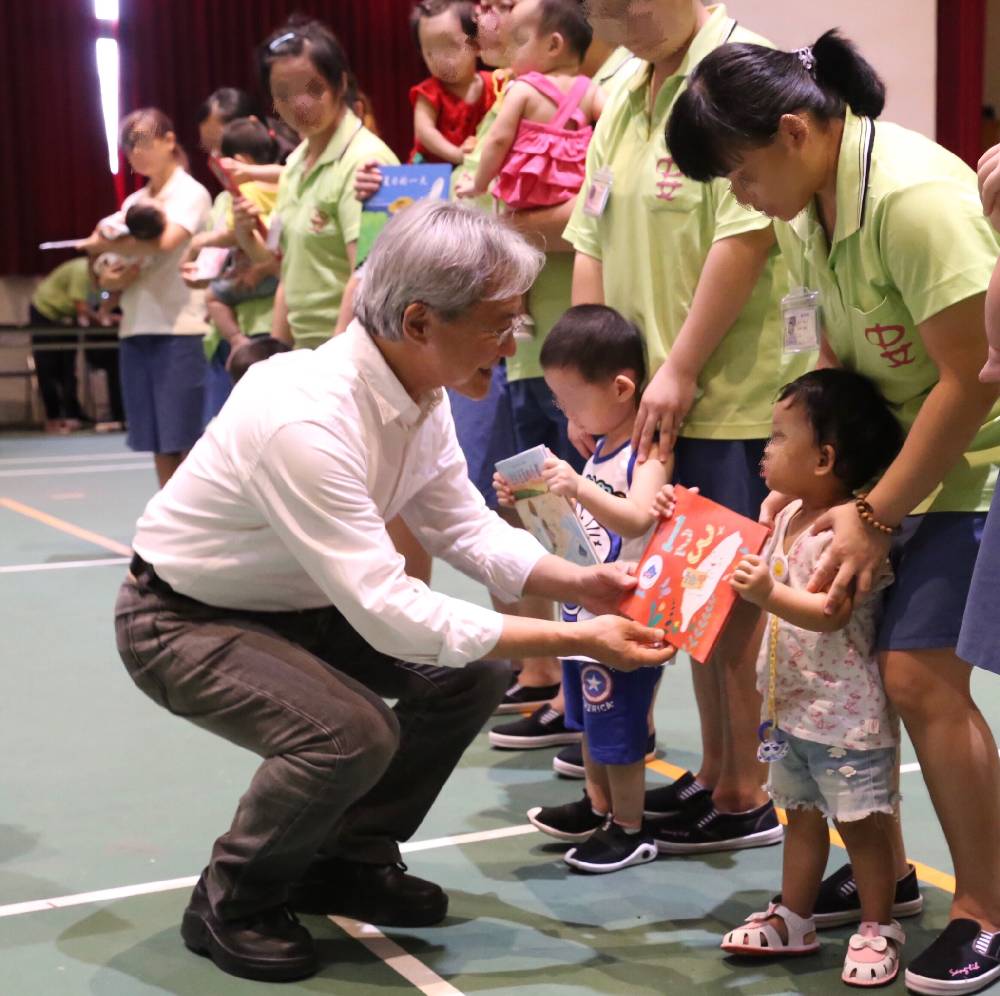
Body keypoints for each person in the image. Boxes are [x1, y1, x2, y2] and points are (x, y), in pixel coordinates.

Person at [115, 201, 672, 984]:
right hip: (180, 620)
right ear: (418, 321)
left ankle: (346, 857)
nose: (515, 341)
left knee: (471, 674)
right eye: (499, 323)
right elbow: (392, 611)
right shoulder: (305, 420)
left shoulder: (422, 393)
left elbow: (464, 529)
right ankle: (232, 899)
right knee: (350, 733)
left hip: (299, 606)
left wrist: (583, 582)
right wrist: (577, 637)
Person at [668, 30, 1000, 995]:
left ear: (793, 130)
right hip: (886, 478)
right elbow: (831, 354)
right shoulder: (807, 205)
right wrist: (814, 487)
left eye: (738, 170)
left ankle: (983, 910)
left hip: (968, 467)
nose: (739, 195)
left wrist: (876, 514)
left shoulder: (911, 200)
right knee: (855, 682)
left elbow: (971, 383)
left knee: (916, 679)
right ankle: (883, 879)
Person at [563, 0, 804, 854]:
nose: (618, 18)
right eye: (601, 7)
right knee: (681, 607)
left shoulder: (742, 67)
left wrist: (682, 366)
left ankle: (747, 795)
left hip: (730, 395)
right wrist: (595, 386)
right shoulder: (622, 83)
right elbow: (589, 225)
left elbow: (747, 236)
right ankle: (715, 774)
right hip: (645, 408)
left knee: (731, 612)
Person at [723, 370, 906, 986]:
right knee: (798, 816)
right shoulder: (789, 515)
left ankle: (879, 924)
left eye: (778, 437)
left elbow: (832, 614)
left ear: (825, 457)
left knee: (861, 825)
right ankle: (796, 916)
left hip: (843, 713)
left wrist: (768, 592)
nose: (765, 448)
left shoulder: (845, 530)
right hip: (789, 706)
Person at [496, 305, 671, 872]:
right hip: (581, 616)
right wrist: (528, 506)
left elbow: (638, 517)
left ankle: (629, 827)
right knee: (591, 723)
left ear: (622, 388)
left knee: (617, 728)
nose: (564, 414)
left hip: (624, 618)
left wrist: (575, 487)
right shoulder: (596, 451)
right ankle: (599, 808)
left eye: (571, 401)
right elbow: (571, 533)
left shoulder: (646, 453)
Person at [236, 17, 398, 349]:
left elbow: (366, 277)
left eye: (313, 89)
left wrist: (333, 366)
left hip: (355, 357)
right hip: (308, 356)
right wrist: (277, 353)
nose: (299, 105)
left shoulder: (366, 162)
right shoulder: (295, 165)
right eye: (283, 94)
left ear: (340, 83)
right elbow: (287, 271)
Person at [80, 108, 211, 487]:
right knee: (158, 441)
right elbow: (112, 261)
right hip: (136, 328)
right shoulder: (133, 202)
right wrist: (106, 266)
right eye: (129, 147)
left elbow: (165, 241)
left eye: (143, 142)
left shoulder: (190, 193)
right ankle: (168, 527)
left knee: (187, 440)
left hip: (180, 330)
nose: (136, 153)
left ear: (169, 141)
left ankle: (195, 530)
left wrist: (99, 241)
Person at [457, 0, 604, 209]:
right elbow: (612, 123)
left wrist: (479, 183)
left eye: (518, 41)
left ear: (553, 45)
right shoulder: (590, 91)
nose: (510, 51)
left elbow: (498, 140)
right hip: (572, 194)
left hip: (524, 194)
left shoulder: (523, 90)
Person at [203, 119, 282, 358]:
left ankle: (237, 340)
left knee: (212, 297)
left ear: (239, 161)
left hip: (261, 289)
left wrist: (201, 242)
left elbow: (232, 234)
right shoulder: (283, 185)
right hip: (280, 281)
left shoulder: (245, 192)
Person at [409, 0, 495, 165]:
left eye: (450, 47)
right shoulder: (429, 93)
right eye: (430, 52)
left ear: (477, 44)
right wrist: (457, 155)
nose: (441, 59)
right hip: (432, 174)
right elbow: (424, 132)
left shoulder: (494, 84)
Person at [29, 257, 94, 433]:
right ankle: (54, 417)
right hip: (44, 312)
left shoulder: (103, 276)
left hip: (67, 316)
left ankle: (72, 414)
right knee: (47, 367)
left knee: (68, 367)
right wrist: (103, 317)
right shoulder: (82, 271)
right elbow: (82, 308)